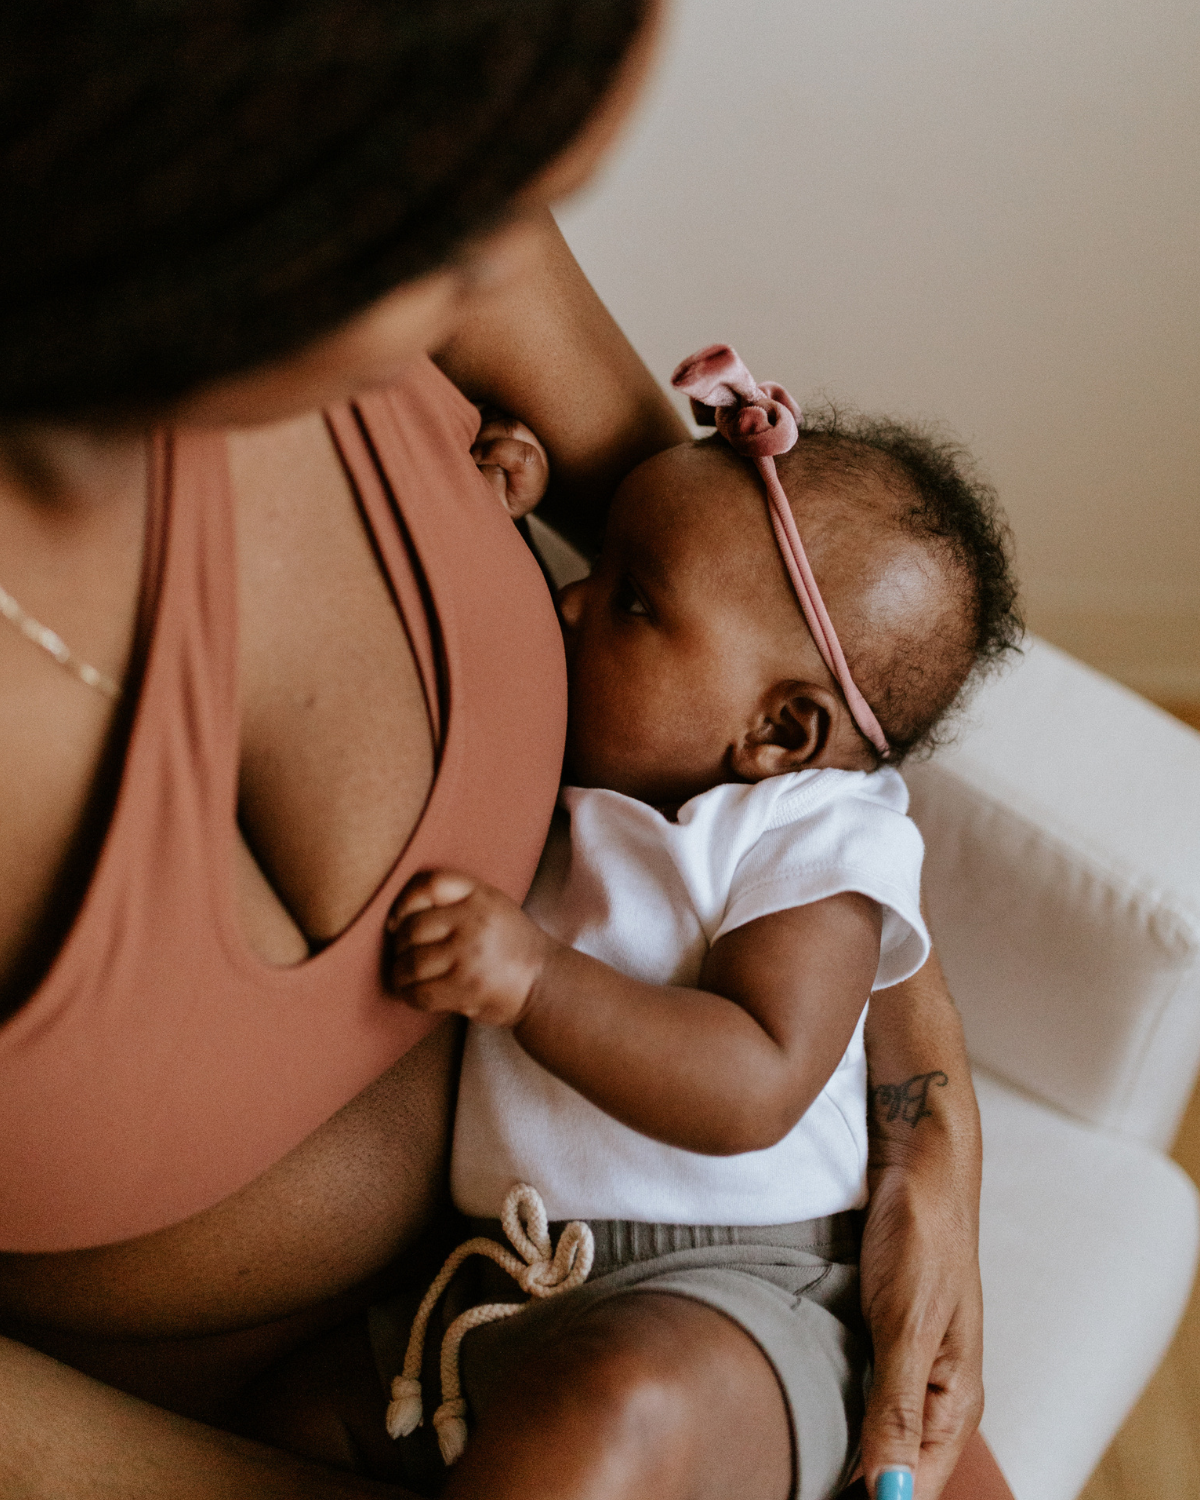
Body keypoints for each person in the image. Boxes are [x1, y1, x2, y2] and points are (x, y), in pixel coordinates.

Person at [0, 4, 1007, 1497]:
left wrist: (926, 1113)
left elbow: (789, 676)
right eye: (460, 233)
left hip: (711, 1300)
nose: (500, 277)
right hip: (332, 1416)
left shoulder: (406, 170)